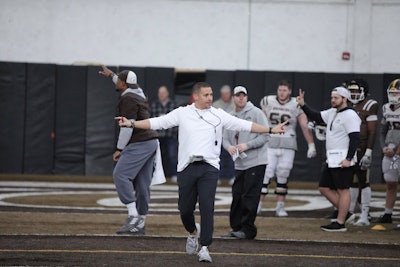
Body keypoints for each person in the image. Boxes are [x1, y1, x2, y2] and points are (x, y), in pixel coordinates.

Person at [115, 82, 287, 263]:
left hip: (209, 168)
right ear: (196, 97)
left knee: (207, 207)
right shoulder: (183, 113)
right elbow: (158, 122)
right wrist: (132, 123)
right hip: (187, 168)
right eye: (206, 95)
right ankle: (192, 232)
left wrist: (271, 129)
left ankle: (205, 247)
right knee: (185, 210)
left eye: (211, 94)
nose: (210, 98)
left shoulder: (219, 115)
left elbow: (245, 125)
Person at [98, 65, 159, 235]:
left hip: (139, 141)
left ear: (124, 84)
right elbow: (124, 82)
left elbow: (127, 127)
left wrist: (119, 149)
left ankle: (133, 217)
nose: (116, 83)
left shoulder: (127, 99)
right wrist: (111, 75)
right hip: (151, 141)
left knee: (120, 175)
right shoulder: (138, 92)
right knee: (142, 184)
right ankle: (140, 222)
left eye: (119, 81)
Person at [297, 86, 360, 232]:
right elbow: (316, 116)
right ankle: (346, 213)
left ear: (345, 99)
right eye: (332, 97)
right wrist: (303, 105)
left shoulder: (350, 115)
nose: (333, 100)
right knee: (324, 187)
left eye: (336, 98)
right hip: (332, 158)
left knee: (343, 189)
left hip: (343, 159)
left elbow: (355, 138)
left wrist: (348, 158)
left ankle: (340, 222)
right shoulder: (333, 112)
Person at [258, 80, 316, 217]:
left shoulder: (296, 103)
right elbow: (260, 120)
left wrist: (311, 144)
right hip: (270, 141)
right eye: (280, 90)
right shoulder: (267, 101)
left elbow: (304, 124)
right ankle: (258, 204)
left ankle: (280, 206)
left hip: (288, 142)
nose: (281, 93)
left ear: (289, 91)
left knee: (283, 172)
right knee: (267, 172)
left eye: (284, 90)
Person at [221, 86, 269, 239]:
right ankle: (236, 227)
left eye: (243, 95)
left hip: (256, 161)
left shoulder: (255, 113)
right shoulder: (230, 115)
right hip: (239, 163)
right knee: (237, 194)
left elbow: (265, 135)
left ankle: (248, 229)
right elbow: (224, 138)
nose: (241, 98)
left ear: (247, 97)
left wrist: (247, 145)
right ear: (233, 98)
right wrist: (229, 147)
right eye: (238, 95)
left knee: (250, 195)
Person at [344, 79, 379, 226]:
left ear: (364, 92)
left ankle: (365, 215)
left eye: (357, 91)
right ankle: (350, 212)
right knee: (351, 181)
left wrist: (368, 152)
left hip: (362, 147)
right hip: (349, 147)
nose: (354, 94)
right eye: (351, 91)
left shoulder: (370, 105)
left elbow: (371, 132)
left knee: (363, 181)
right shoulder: (347, 105)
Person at [377, 78, 400, 225]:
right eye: (392, 92)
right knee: (390, 183)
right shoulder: (386, 108)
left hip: (398, 150)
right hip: (390, 148)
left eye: (396, 93)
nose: (393, 95)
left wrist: (397, 150)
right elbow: (382, 131)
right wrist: (383, 147)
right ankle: (387, 213)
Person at [150, 86, 178, 183]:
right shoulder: (154, 105)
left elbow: (177, 121)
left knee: (172, 156)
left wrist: (174, 132)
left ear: (167, 94)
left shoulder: (173, 105)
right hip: (158, 136)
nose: (161, 95)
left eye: (163, 93)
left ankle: (175, 175)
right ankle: (154, 175)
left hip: (170, 136)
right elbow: (152, 120)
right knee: (156, 156)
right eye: (159, 93)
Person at [212, 85, 235, 185]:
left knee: (232, 158)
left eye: (227, 94)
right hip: (219, 136)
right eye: (223, 94)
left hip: (232, 136)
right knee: (217, 157)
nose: (225, 96)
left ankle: (232, 176)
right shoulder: (216, 105)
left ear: (230, 94)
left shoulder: (235, 104)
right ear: (221, 94)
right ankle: (217, 177)